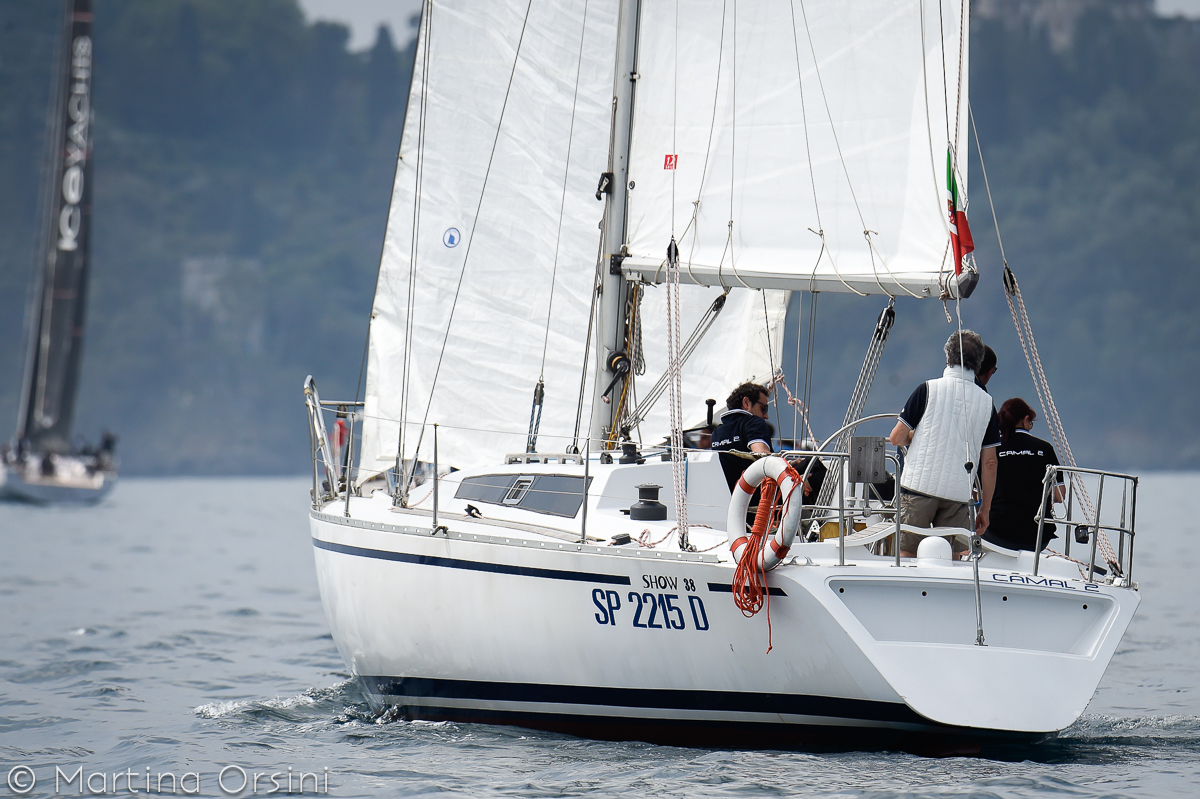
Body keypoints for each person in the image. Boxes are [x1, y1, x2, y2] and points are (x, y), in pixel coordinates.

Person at [888, 330, 1001, 558]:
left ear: (948, 356)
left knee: (907, 552)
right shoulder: (987, 404)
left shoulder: (927, 389)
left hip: (918, 488)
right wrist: (985, 509)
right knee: (953, 557)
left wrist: (914, 438)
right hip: (959, 495)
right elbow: (990, 463)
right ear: (979, 362)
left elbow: (896, 437)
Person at [983, 398, 1066, 552]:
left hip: (997, 532)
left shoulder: (991, 449)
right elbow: (1059, 496)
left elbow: (977, 495)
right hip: (1037, 536)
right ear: (1025, 419)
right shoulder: (1045, 448)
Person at [710, 382, 775, 491]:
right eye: (763, 408)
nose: (766, 416)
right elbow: (762, 456)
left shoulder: (717, 432)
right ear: (746, 403)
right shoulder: (753, 422)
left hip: (727, 496)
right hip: (757, 496)